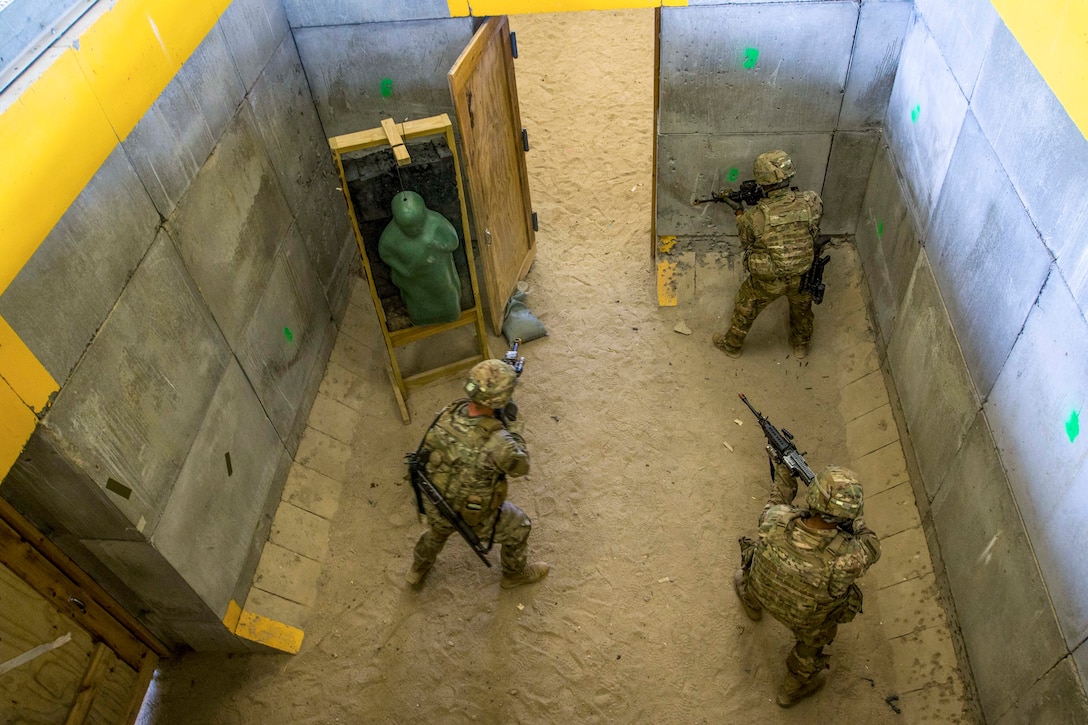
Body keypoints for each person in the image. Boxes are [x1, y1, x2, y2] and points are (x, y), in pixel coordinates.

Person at [733, 459, 880, 708]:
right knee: (816, 638)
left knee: (753, 561)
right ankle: (791, 689)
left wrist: (784, 473)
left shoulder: (777, 518)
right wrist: (856, 521)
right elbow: (872, 546)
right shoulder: (848, 557)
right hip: (805, 621)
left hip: (763, 590)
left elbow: (778, 498)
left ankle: (752, 602)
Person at [405, 359, 550, 589]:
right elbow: (521, 467)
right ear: (500, 400)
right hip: (472, 514)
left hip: (435, 502)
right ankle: (514, 574)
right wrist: (513, 426)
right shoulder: (498, 442)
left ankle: (417, 567)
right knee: (520, 526)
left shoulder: (449, 412)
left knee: (435, 534)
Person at [713, 150, 823, 359]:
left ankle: (732, 346)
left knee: (746, 307)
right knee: (802, 310)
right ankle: (800, 346)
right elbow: (813, 225)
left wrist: (739, 212)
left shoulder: (756, 216)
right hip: (803, 276)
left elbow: (746, 240)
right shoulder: (811, 201)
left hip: (768, 280)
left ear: (762, 180)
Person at [378, 190, 462, 326]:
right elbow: (386, 255)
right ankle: (422, 319)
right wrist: (403, 270)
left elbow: (453, 241)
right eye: (408, 228)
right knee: (417, 299)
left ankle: (451, 313)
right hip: (413, 277)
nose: (414, 230)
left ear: (424, 213)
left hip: (437, 270)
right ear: (397, 222)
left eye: (418, 225)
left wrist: (438, 245)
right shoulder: (389, 237)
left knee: (445, 291)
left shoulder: (435, 221)